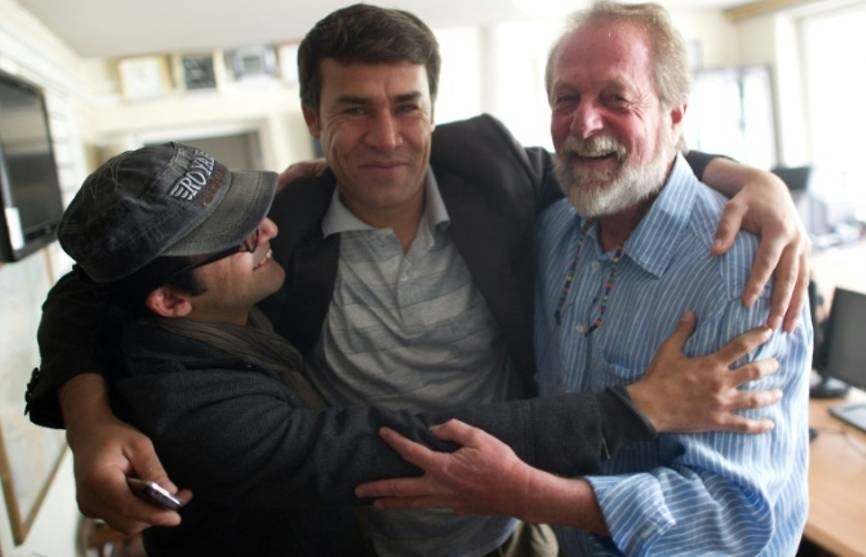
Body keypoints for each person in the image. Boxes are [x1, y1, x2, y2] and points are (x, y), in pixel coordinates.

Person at [26, 3, 807, 555]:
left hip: (513, 538)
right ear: (313, 117)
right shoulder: (274, 223)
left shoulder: (494, 172)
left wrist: (748, 178)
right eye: (354, 110)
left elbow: (614, 156)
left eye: (407, 106)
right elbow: (99, 283)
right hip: (360, 539)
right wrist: (88, 417)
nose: (387, 137)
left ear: (434, 108)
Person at [53, 142, 778, 556]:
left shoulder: (172, 295)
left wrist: (738, 175)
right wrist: (632, 409)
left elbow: (81, 290)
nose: (268, 228)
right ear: (171, 302)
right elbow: (388, 439)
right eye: (240, 234)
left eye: (254, 205)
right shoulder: (196, 417)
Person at [355, 3, 811, 555]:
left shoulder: (741, 268)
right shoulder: (553, 229)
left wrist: (529, 495)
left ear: (674, 115)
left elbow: (733, 522)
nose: (583, 123)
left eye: (616, 99)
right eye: (566, 98)